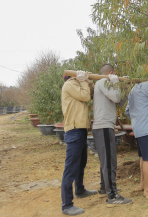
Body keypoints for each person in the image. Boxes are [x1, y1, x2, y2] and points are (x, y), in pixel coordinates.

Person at [92, 64, 132, 206]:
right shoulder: (103, 82)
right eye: (115, 74)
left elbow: (120, 101)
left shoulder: (107, 85)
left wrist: (125, 88)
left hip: (105, 126)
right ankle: (112, 196)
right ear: (111, 73)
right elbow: (116, 98)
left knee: (106, 160)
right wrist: (115, 83)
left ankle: (105, 188)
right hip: (102, 127)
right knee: (109, 162)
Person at [60, 71, 97, 216]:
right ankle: (67, 204)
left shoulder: (80, 85)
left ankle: (80, 189)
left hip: (81, 128)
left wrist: (90, 82)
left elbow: (91, 94)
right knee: (71, 168)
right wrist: (82, 82)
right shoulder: (69, 85)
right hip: (74, 129)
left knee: (81, 163)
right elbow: (86, 97)